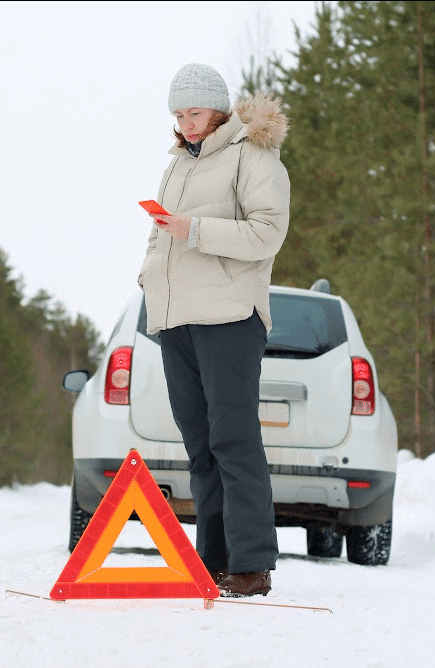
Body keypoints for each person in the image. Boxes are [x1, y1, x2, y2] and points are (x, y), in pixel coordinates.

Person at [137, 63, 290, 597]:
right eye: (179, 115)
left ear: (218, 108)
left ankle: (250, 565)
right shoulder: (178, 164)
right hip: (176, 321)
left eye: (195, 112)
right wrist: (149, 276)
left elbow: (268, 233)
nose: (186, 124)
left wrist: (195, 230)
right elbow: (163, 239)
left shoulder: (253, 153)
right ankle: (213, 560)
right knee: (199, 446)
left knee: (234, 439)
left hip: (228, 317)